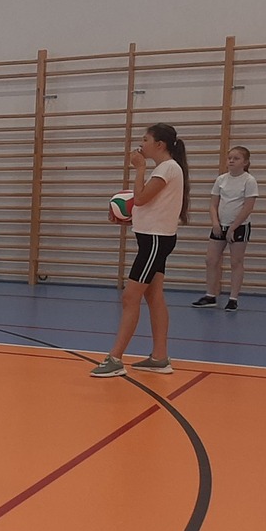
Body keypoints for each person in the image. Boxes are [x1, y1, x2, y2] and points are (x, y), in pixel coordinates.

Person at [91, 124, 190, 378]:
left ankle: (115, 358)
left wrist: (139, 168)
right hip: (152, 239)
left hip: (156, 241)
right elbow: (148, 206)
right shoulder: (166, 169)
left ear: (159, 145)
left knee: (130, 297)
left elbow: (142, 197)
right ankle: (160, 357)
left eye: (145, 139)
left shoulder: (167, 168)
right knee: (154, 296)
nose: (141, 144)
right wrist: (127, 216)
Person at [192, 145, 258, 312]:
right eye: (229, 158)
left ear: (245, 162)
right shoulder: (221, 179)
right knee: (211, 260)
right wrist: (215, 222)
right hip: (220, 226)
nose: (231, 161)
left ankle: (233, 298)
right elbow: (213, 204)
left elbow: (248, 207)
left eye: (236, 158)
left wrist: (233, 227)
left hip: (239, 227)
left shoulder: (249, 181)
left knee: (236, 262)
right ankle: (210, 295)